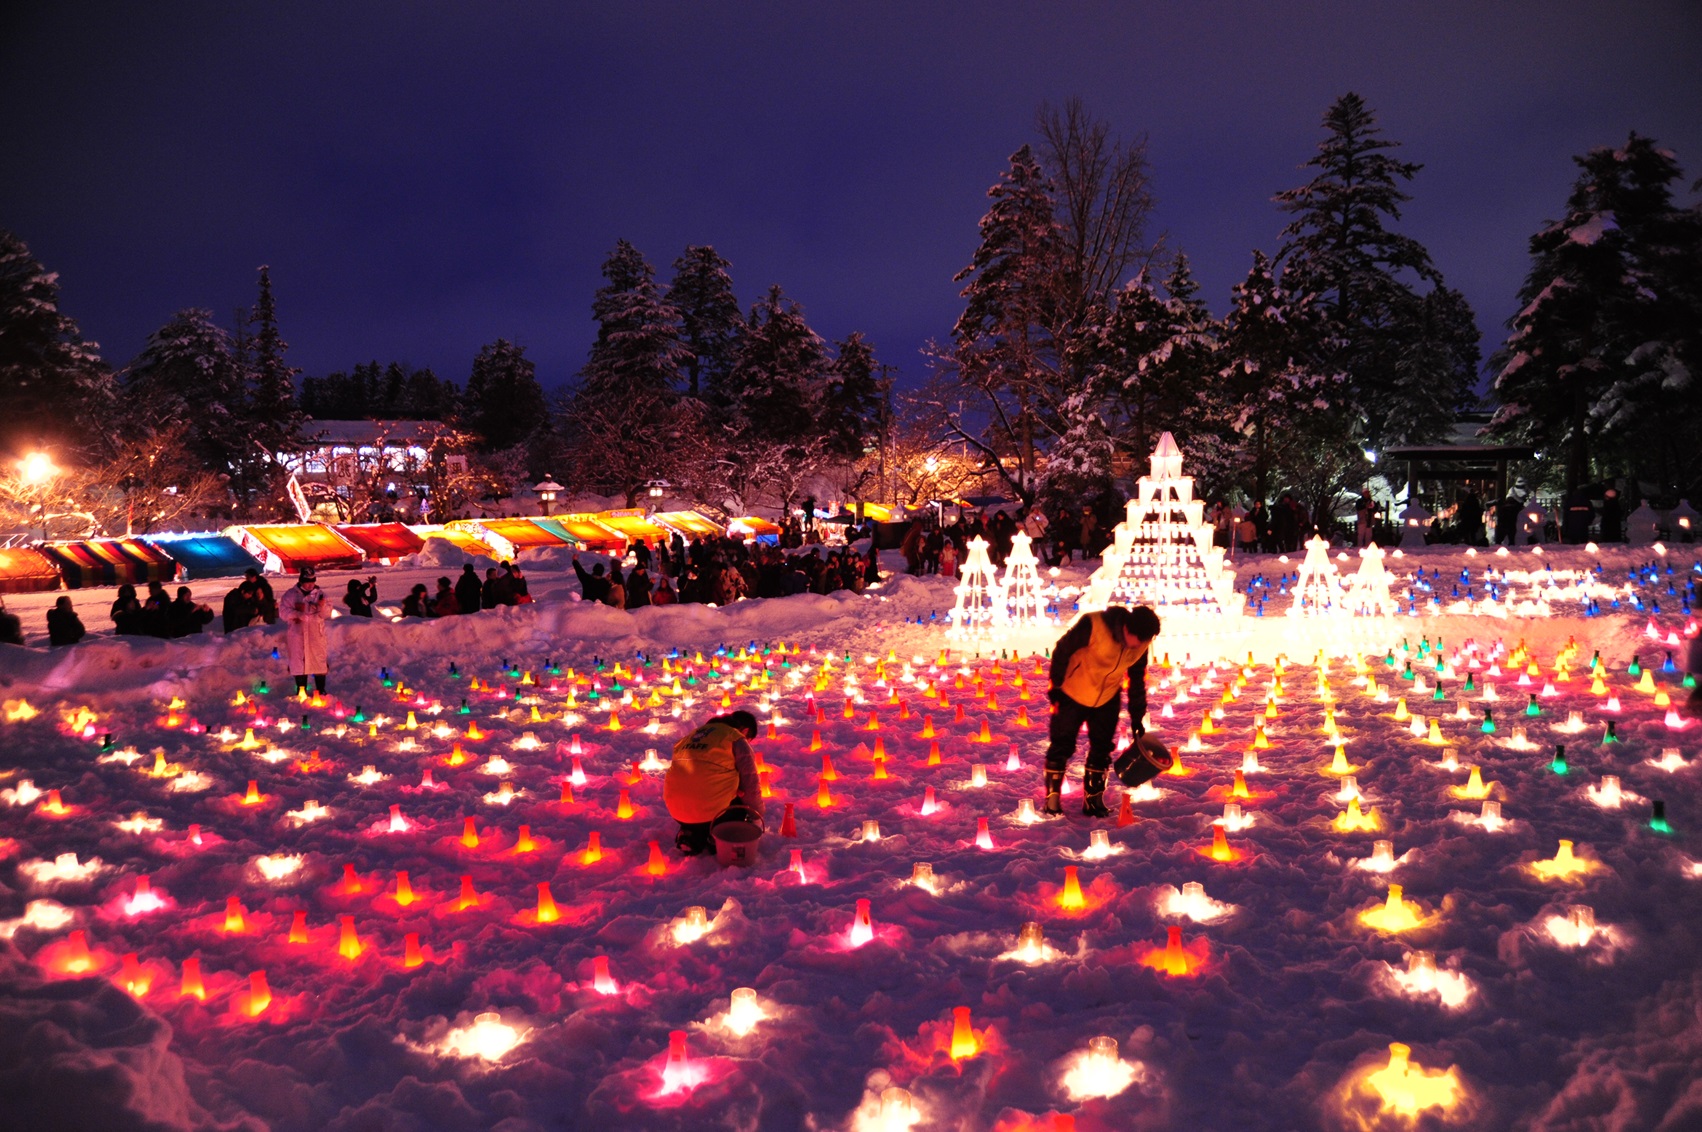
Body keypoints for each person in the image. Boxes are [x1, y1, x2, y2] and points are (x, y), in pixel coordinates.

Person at [1044, 605, 1161, 817]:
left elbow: (1136, 681)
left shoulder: (1141, 644)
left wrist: (1137, 717)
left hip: (1107, 697)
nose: (1141, 646)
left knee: (1102, 747)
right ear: (1127, 630)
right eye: (1139, 640)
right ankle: (1052, 799)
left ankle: (1093, 799)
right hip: (1072, 692)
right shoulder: (1094, 625)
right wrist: (1057, 687)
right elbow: (1062, 650)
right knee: (1062, 744)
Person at [663, 710, 763, 856]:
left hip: (677, 810)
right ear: (745, 731)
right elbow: (750, 784)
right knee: (741, 798)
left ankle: (690, 835)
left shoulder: (690, 737)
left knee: (704, 795)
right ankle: (718, 836)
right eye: (749, 739)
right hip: (715, 810)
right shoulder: (735, 738)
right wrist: (757, 816)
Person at [278, 566, 332, 695]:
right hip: (297, 634)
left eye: (312, 582)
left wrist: (322, 606)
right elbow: (283, 612)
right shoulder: (290, 594)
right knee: (298, 661)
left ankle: (321, 689)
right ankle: (301, 689)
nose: (310, 585)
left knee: (318, 660)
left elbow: (327, 614)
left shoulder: (321, 594)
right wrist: (297, 614)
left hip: (315, 635)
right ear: (301, 581)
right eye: (307, 582)